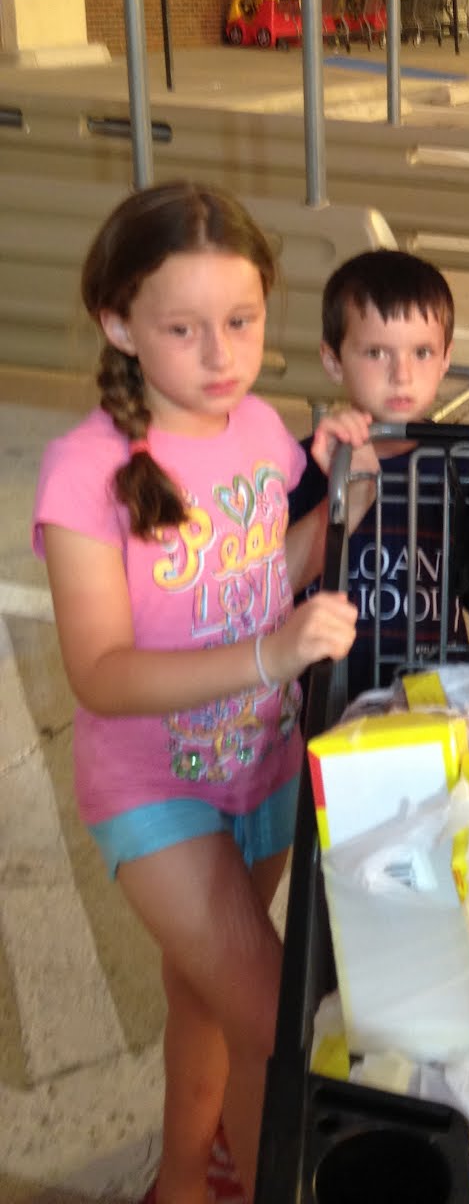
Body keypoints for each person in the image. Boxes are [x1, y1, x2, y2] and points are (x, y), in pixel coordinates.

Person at [32, 182, 376, 1204]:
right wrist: (268, 658)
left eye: (242, 320)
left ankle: (185, 1178)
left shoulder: (261, 429)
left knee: (204, 989)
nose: (221, 353)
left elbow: (274, 563)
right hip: (156, 790)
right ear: (118, 321)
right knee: (277, 1015)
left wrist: (344, 492)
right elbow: (99, 670)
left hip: (257, 763)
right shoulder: (85, 470)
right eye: (184, 328)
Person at [288, 249, 467, 698]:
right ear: (333, 361)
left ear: (447, 357)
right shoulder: (302, 464)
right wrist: (344, 492)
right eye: (375, 353)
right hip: (322, 696)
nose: (402, 375)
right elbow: (270, 584)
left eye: (422, 352)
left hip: (431, 697)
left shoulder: (463, 465)